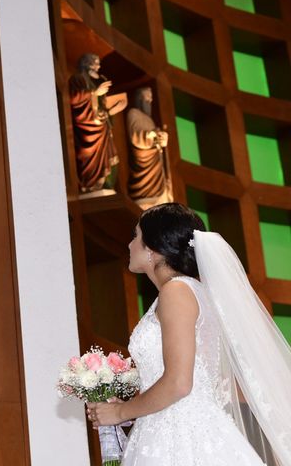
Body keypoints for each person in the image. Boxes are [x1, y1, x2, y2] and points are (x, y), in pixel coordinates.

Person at [86, 203, 291, 465]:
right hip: (170, 430)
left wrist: (119, 411)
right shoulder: (189, 292)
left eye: (135, 236)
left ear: (153, 248)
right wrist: (128, 411)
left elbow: (179, 384)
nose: (129, 245)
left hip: (183, 440)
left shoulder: (176, 292)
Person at [69, 53, 127, 194]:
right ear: (86, 63)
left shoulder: (100, 79)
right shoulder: (78, 79)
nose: (98, 66)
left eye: (98, 62)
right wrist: (95, 92)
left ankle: (105, 184)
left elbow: (102, 105)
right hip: (87, 125)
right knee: (89, 154)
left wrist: (112, 111)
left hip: (102, 124)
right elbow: (74, 99)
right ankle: (92, 184)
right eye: (94, 62)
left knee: (110, 153)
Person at [126, 87, 172, 208]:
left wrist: (161, 137)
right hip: (144, 162)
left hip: (155, 165)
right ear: (139, 98)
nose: (150, 100)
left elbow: (154, 139)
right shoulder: (133, 113)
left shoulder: (149, 120)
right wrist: (150, 135)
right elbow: (136, 135)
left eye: (151, 98)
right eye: (148, 97)